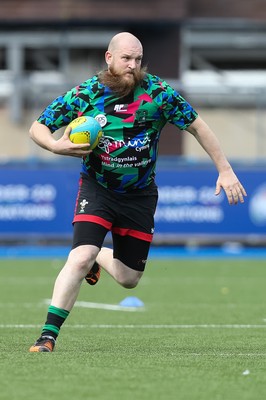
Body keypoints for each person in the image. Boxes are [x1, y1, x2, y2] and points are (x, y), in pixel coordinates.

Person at [29, 32, 247, 352]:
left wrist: (225, 170)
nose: (132, 65)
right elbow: (38, 127)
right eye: (126, 59)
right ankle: (47, 336)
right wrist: (55, 146)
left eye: (137, 59)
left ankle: (96, 259)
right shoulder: (87, 93)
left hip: (140, 195)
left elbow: (197, 125)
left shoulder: (158, 93)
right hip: (98, 188)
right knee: (79, 256)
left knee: (128, 278)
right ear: (109, 58)